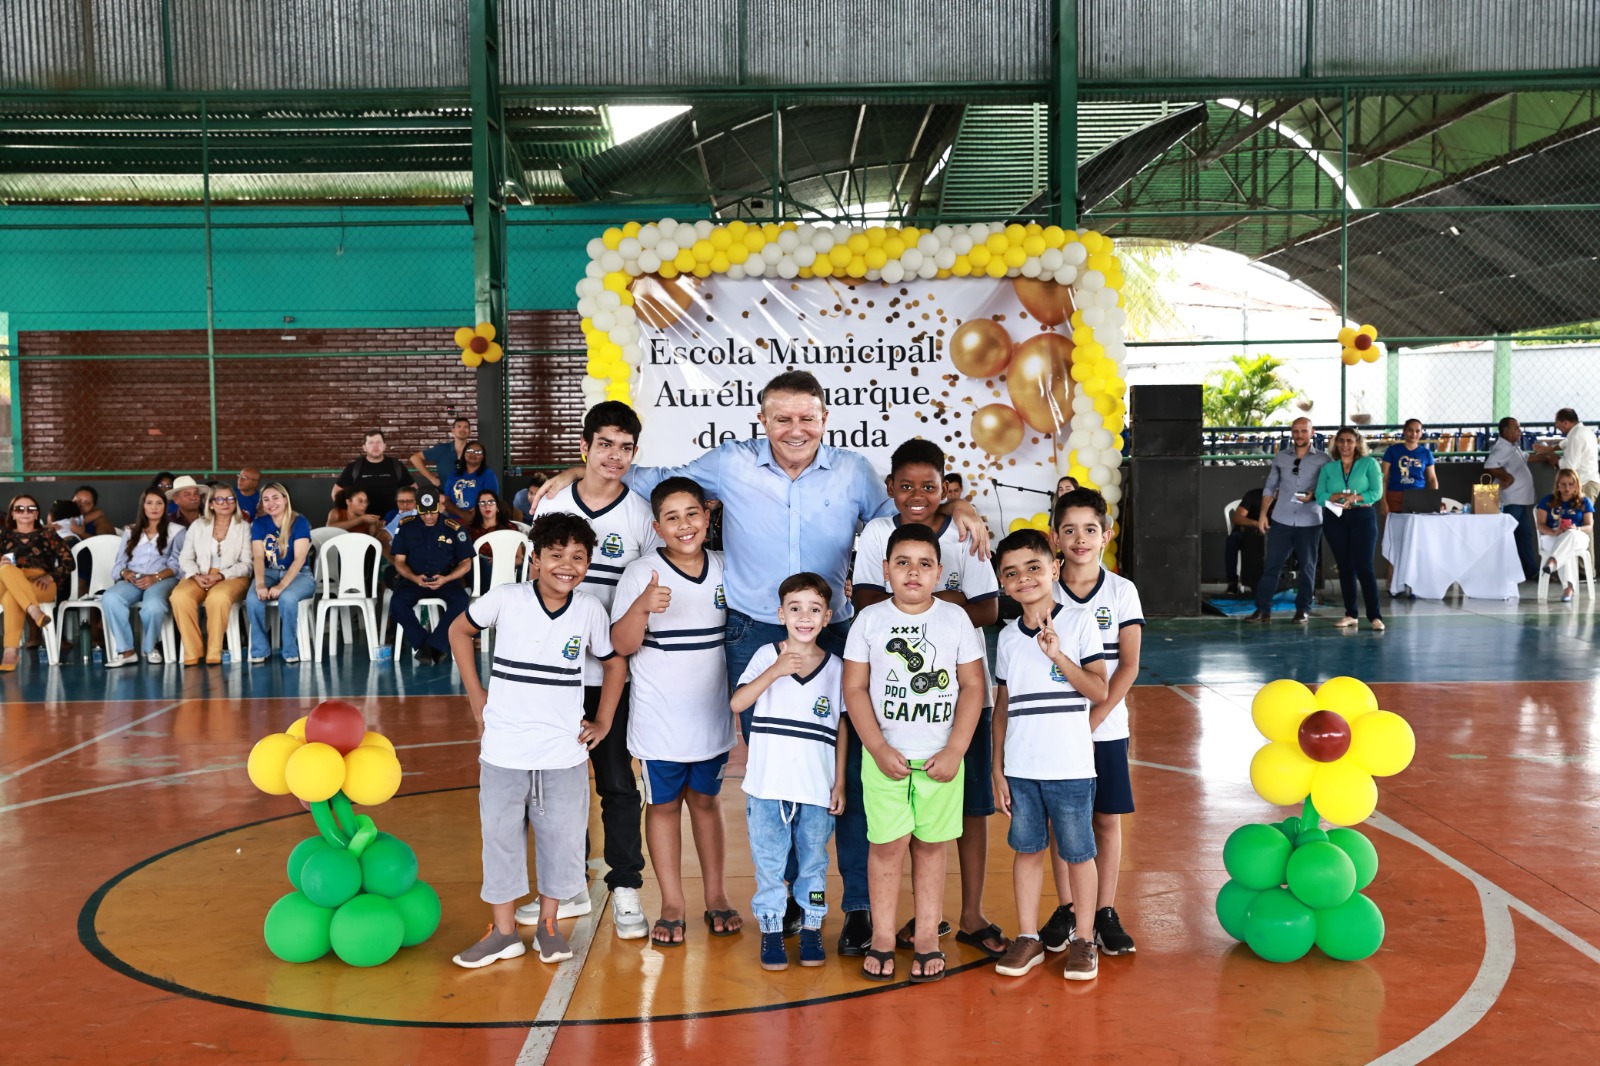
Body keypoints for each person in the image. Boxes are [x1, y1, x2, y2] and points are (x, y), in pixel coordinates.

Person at [534, 370, 990, 956]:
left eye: (806, 417)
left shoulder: (852, 472)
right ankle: (792, 902)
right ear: (762, 419)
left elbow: (908, 512)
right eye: (782, 418)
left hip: (836, 630)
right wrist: (578, 470)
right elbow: (644, 477)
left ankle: (852, 908)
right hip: (753, 631)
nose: (794, 429)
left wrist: (961, 504)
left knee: (841, 777)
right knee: (778, 770)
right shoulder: (729, 463)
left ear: (825, 418)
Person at [445, 511, 626, 969]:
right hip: (504, 751)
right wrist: (476, 698)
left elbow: (614, 664)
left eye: (578, 557)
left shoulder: (588, 610)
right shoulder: (506, 599)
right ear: (536, 560)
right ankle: (504, 933)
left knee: (560, 840)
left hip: (562, 753)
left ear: (588, 564)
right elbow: (458, 631)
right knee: (500, 840)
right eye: (556, 555)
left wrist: (602, 721)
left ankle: (548, 926)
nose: (567, 565)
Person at [850, 439, 1006, 960]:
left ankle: (968, 915)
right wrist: (937, 602)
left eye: (931, 487)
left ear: (948, 489)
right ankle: (894, 928)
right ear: (891, 488)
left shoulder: (965, 530)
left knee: (967, 811)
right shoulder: (877, 533)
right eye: (907, 486)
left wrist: (941, 603)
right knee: (890, 835)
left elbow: (987, 606)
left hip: (957, 715)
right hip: (893, 733)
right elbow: (869, 599)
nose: (918, 495)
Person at [529, 401, 656, 940]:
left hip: (611, 673)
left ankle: (625, 885)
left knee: (617, 783)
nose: (615, 456)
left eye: (626, 447)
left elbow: (644, 596)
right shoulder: (554, 500)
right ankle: (569, 882)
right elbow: (534, 583)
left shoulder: (641, 515)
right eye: (605, 444)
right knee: (558, 786)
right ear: (584, 448)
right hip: (555, 674)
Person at [843, 524, 985, 983]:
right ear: (885, 570)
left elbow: (972, 686)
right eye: (902, 562)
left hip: (941, 760)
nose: (913, 572)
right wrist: (878, 746)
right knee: (886, 847)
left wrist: (957, 749)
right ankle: (883, 936)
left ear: (939, 572)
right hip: (886, 758)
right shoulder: (869, 620)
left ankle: (927, 936)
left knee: (930, 846)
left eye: (925, 564)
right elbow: (854, 688)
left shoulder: (955, 620)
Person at [610, 477, 740, 945]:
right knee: (663, 806)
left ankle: (718, 897)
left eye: (692, 514)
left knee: (706, 803)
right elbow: (621, 645)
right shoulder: (641, 573)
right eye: (672, 517)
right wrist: (642, 608)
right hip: (659, 719)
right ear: (657, 526)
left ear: (707, 517)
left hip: (711, 716)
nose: (684, 525)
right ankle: (671, 903)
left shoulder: (727, 568)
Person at [989, 528, 1109, 980]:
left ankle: (1083, 939)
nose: (1025, 579)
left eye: (1034, 567)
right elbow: (1003, 708)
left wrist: (1059, 656)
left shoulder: (1080, 623)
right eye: (1012, 573)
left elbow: (1098, 689)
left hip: (1071, 766)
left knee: (1078, 853)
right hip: (1022, 768)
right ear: (1003, 583)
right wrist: (998, 768)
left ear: (1055, 568)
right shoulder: (1006, 638)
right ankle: (1028, 938)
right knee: (1027, 850)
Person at [1043, 488, 1144, 958]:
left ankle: (1104, 911)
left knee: (1104, 818)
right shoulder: (1043, 591)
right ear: (1054, 537)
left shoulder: (1122, 591)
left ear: (1106, 534)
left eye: (1090, 529)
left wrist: (1095, 717)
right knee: (1061, 823)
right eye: (1069, 530)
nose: (1080, 539)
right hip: (1055, 727)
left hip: (1103, 727)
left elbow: (1128, 666)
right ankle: (1067, 908)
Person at [732, 571, 847, 971]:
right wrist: (776, 671)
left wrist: (840, 782)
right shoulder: (768, 655)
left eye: (814, 609)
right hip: (767, 785)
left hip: (816, 786)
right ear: (781, 614)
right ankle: (771, 930)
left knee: (814, 861)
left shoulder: (836, 668)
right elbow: (737, 703)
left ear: (827, 616)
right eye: (795, 608)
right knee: (770, 863)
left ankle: (813, 927)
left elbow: (843, 726)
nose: (804, 616)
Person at [1248, 418, 1330, 623]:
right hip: (1281, 519)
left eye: (1304, 431)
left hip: (1310, 521)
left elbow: (1327, 489)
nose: (1299, 435)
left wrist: (1314, 494)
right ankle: (1262, 610)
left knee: (1308, 567)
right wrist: (1263, 514)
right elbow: (1270, 487)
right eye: (1296, 431)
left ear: (1313, 432)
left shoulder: (1325, 460)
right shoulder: (1281, 457)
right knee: (1271, 566)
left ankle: (1303, 610)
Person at [389, 488, 475, 664]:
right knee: (397, 603)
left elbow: (466, 563)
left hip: (445, 579)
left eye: (432, 512)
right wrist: (414, 578)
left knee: (461, 601)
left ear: (439, 506)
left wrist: (447, 578)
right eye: (424, 512)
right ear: (418, 508)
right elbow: (399, 561)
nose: (428, 516)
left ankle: (434, 644)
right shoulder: (406, 526)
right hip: (415, 579)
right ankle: (427, 645)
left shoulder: (454, 527)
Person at [170, 483, 253, 666]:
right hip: (199, 575)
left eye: (230, 499)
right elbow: (185, 558)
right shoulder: (198, 526)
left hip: (232, 577)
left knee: (217, 598)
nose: (226, 503)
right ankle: (193, 651)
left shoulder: (244, 527)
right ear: (210, 504)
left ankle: (214, 651)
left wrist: (221, 575)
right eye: (220, 499)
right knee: (179, 597)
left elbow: (247, 564)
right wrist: (195, 575)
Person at [103, 488, 186, 667]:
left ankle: (150, 647)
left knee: (153, 606)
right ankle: (126, 651)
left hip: (162, 579)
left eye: (159, 503)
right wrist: (126, 573)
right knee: (111, 598)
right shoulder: (131, 531)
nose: (154, 507)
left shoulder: (177, 531)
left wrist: (155, 577)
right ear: (143, 506)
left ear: (165, 506)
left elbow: (177, 566)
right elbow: (119, 564)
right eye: (149, 503)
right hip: (133, 579)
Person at [1316, 427, 1385, 631]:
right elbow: (1320, 496)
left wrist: (1357, 498)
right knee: (1345, 567)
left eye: (1349, 441)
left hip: (1362, 517)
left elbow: (1377, 492)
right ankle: (1350, 614)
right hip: (1335, 518)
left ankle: (1375, 616)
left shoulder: (1369, 464)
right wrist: (1337, 496)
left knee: (1364, 566)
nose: (1345, 445)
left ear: (1357, 443)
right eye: (1341, 441)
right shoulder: (1329, 468)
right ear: (1336, 444)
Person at [0, 494, 73, 672]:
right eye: (19, 509)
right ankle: (33, 611)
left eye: (31, 509)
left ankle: (10, 651)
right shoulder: (4, 535)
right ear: (13, 514)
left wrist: (51, 576)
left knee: (12, 595)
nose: (25, 512)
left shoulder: (48, 534)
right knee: (6, 571)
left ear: (36, 513)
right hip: (10, 581)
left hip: (42, 584)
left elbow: (69, 562)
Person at [245, 483, 314, 664]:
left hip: (300, 575)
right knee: (253, 598)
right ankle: (260, 649)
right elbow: (258, 556)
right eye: (266, 499)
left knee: (288, 598)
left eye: (276, 497)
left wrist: (282, 586)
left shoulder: (299, 521)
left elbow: (299, 559)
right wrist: (260, 584)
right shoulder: (259, 523)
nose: (271, 503)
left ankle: (290, 649)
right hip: (269, 572)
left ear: (285, 499)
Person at [1484, 417, 1538, 581]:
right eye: (1516, 428)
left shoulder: (1512, 447)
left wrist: (1545, 457)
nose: (1519, 431)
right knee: (1506, 536)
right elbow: (1489, 465)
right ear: (1505, 431)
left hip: (1519, 500)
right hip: (1511, 500)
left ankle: (1531, 571)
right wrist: (1507, 477)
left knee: (1524, 535)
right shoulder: (1502, 447)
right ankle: (1500, 571)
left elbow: (1525, 458)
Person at [1536, 468, 1593, 603]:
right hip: (1553, 535)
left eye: (1571, 484)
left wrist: (1576, 528)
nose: (1567, 487)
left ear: (1577, 485)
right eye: (1563, 484)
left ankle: (1553, 562)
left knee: (1570, 536)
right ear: (1557, 485)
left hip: (1578, 535)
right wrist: (1553, 532)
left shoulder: (1584, 501)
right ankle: (1569, 588)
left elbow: (1589, 527)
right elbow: (1541, 524)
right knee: (1566, 546)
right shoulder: (1547, 500)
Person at [333, 430, 414, 518]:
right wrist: (349, 516)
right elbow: (336, 492)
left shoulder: (397, 465)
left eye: (379, 442)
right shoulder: (353, 467)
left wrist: (406, 513)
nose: (375, 446)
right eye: (371, 443)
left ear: (384, 446)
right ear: (364, 447)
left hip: (393, 520)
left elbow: (414, 490)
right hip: (362, 522)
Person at [1533, 408, 1600, 504]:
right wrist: (1549, 449)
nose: (1556, 426)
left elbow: (1569, 467)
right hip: (1588, 481)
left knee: (1579, 517)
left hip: (1584, 483)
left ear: (1565, 423)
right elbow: (1565, 443)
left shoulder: (1576, 436)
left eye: (1557, 423)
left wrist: (1553, 457)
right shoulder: (1584, 431)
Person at [468, 489, 523, 594]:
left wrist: (499, 562)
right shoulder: (471, 530)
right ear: (478, 507)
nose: (487, 506)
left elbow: (519, 559)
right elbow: (467, 560)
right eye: (482, 503)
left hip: (506, 569)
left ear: (497, 506)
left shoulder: (509, 528)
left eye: (491, 502)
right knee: (480, 561)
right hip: (479, 572)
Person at [1380, 419, 1439, 513]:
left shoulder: (1426, 453)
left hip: (1419, 497)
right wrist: (1383, 501)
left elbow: (1432, 479)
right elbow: (1384, 478)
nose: (1414, 434)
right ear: (1404, 431)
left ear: (1421, 433)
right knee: (1394, 526)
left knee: (1416, 527)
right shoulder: (1392, 451)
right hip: (1395, 496)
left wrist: (1434, 500)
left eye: (1417, 431)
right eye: (1410, 430)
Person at [443, 439, 500, 524]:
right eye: (469, 451)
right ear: (464, 454)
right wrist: (462, 514)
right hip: (454, 521)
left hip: (480, 521)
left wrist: (473, 515)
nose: (473, 454)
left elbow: (491, 500)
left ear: (483, 457)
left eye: (478, 452)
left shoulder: (488, 475)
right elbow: (446, 500)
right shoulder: (454, 474)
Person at [1223, 488, 1266, 597]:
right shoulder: (1254, 495)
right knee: (1232, 542)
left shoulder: (1286, 498)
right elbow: (1237, 517)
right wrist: (1256, 523)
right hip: (1244, 532)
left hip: (1269, 534)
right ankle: (1232, 584)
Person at [411, 415, 473, 488]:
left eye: (466, 427)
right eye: (459, 426)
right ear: (453, 430)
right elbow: (415, 458)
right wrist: (432, 478)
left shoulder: (474, 451)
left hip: (470, 495)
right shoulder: (442, 449)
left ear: (469, 432)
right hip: (446, 496)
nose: (462, 429)